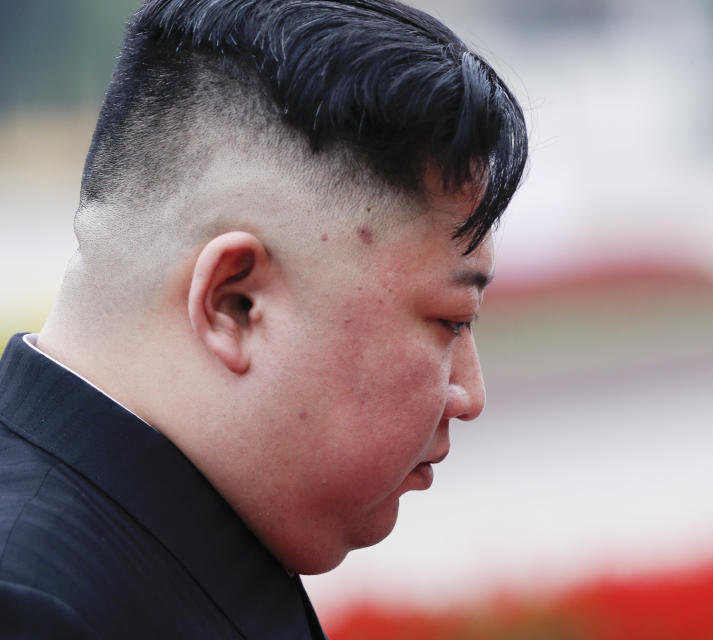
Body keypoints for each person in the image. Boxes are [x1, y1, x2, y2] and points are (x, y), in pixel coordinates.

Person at [0, 0, 527, 637]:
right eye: (452, 321)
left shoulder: (169, 536)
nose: (469, 395)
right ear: (235, 305)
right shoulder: (33, 607)